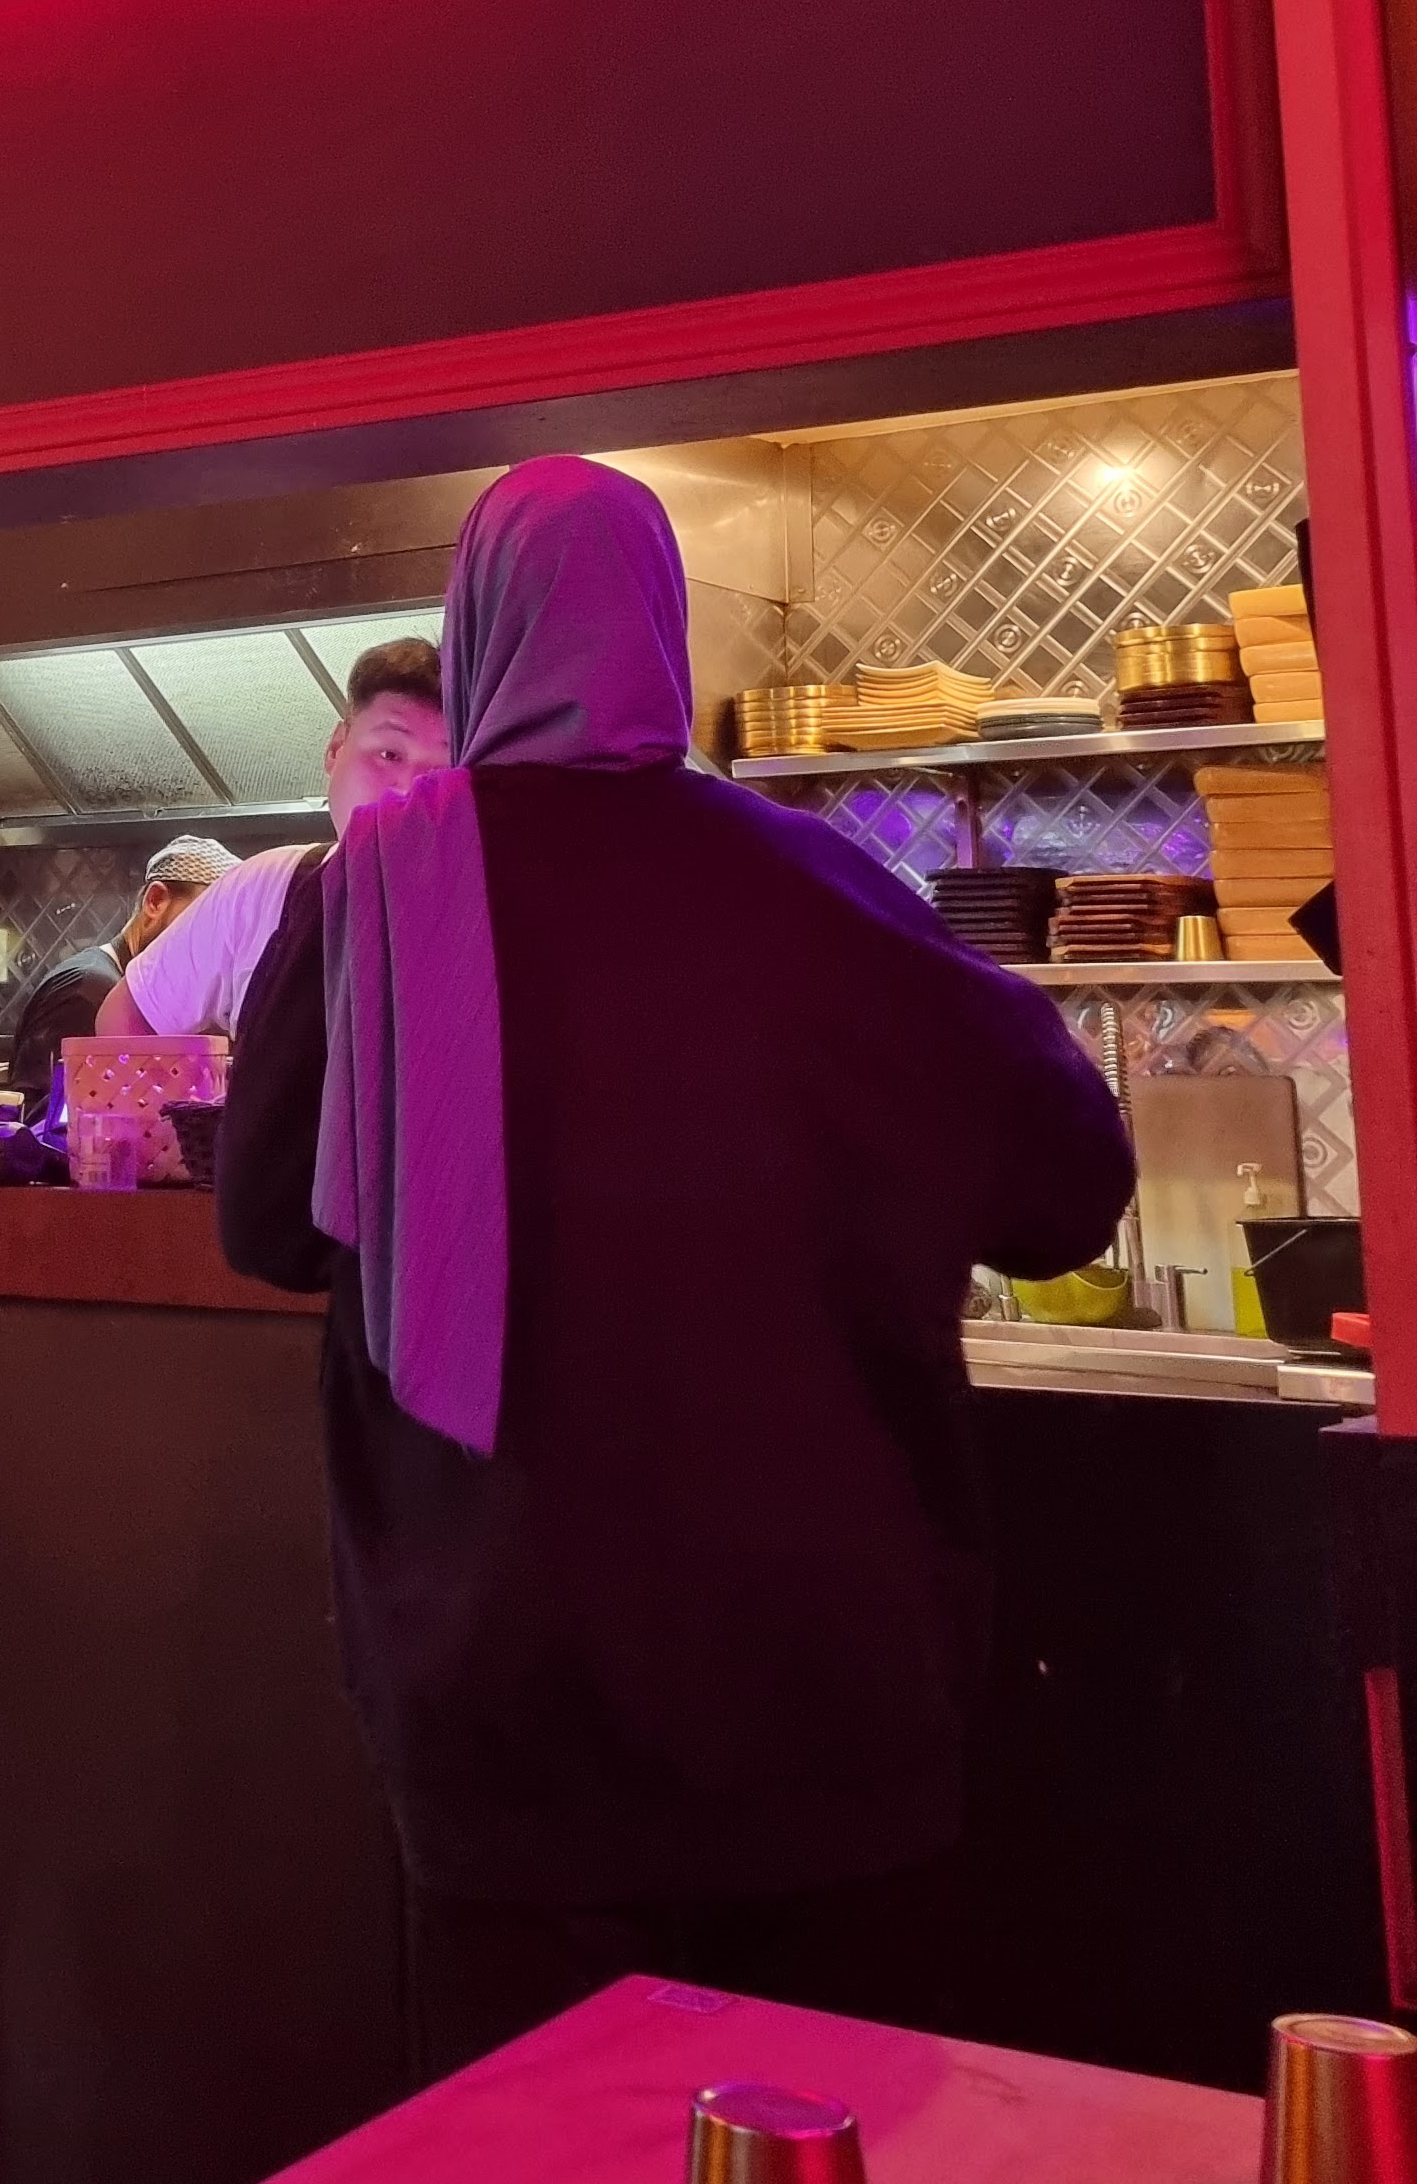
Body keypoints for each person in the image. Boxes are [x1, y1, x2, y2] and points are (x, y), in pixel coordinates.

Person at [216, 458, 1135, 2082]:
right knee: (824, 2183)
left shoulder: (380, 890)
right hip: (822, 1685)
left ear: (473, 632)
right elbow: (1068, 1193)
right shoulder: (827, 888)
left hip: (502, 1687)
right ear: (665, 628)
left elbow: (268, 1229)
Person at [96, 640, 448, 1043]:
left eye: (441, 771)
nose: (407, 790)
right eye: (389, 754)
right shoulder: (266, 887)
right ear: (336, 747)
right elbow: (126, 1018)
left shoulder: (481, 908)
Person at [8, 833, 239, 1114]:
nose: (205, 948)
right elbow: (45, 1119)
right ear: (155, 901)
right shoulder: (90, 988)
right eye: (201, 924)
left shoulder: (124, 992)